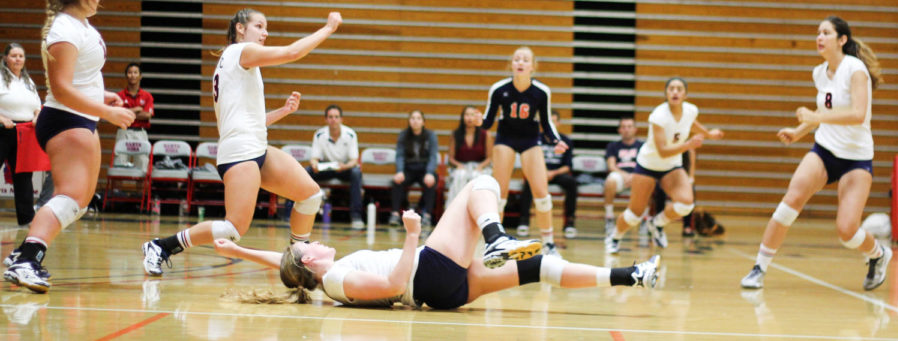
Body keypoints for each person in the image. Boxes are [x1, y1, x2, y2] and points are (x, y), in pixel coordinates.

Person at [213, 175, 660, 309]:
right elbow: (391, 285)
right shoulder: (340, 279)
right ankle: (495, 235)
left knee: (538, 265)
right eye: (304, 244)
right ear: (309, 259)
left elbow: (285, 264)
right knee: (478, 182)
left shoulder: (322, 276)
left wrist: (238, 250)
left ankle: (631, 275)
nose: (308, 241)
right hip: (428, 269)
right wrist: (411, 238)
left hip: (443, 287)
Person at [140, 8, 342, 276]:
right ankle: (161, 246)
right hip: (238, 152)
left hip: (255, 146)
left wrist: (282, 112)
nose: (265, 32)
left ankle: (296, 260)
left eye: (266, 27)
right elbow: (292, 52)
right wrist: (328, 28)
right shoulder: (239, 52)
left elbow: (249, 119)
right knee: (232, 229)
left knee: (310, 196)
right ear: (240, 28)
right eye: (259, 26)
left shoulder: (238, 62)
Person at [3, 0, 135, 293]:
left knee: (81, 199)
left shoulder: (81, 26)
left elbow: (81, 77)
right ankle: (27, 259)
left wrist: (103, 97)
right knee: (70, 195)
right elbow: (60, 88)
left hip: (80, 117)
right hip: (65, 119)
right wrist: (105, 110)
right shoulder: (64, 29)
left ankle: (23, 253)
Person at [741, 16, 889, 291]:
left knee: (847, 231)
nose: (819, 37)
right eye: (817, 33)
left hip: (856, 158)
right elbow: (825, 111)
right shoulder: (819, 72)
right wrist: (800, 131)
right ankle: (759, 268)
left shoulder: (855, 70)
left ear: (842, 40)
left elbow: (857, 115)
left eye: (826, 33)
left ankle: (878, 255)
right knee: (791, 201)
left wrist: (816, 115)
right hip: (825, 150)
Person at [605, 77, 723, 254]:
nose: (675, 91)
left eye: (679, 89)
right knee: (634, 215)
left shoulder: (691, 110)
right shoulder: (659, 116)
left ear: (685, 94)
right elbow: (663, 151)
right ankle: (615, 236)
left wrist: (709, 134)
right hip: (648, 165)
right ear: (666, 93)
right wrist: (688, 145)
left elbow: (691, 123)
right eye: (671, 89)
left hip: (671, 166)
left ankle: (656, 223)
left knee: (686, 204)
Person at [481, 46, 567, 257]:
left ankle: (548, 243)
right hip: (505, 139)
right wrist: (478, 122)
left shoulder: (541, 92)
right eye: (517, 59)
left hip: (530, 140)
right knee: (499, 194)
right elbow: (488, 121)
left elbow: (546, 122)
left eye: (525, 60)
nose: (520, 62)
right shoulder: (499, 89)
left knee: (542, 194)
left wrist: (556, 140)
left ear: (533, 66)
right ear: (511, 64)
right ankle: (495, 243)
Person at [517, 110, 578, 239]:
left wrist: (552, 173)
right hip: (538, 173)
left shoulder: (566, 140)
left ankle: (570, 223)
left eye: (553, 122)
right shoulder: (534, 139)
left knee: (571, 183)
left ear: (559, 124)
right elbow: (527, 161)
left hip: (557, 173)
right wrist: (541, 172)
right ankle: (524, 221)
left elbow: (567, 166)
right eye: (547, 122)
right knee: (528, 182)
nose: (550, 125)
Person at [0, 43, 42, 226]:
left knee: (24, 176)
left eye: (21, 56)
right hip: (3, 129)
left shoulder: (28, 82)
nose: (18, 59)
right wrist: (1, 118)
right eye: (13, 55)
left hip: (24, 132)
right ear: (5, 58)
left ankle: (26, 218)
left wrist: (37, 116)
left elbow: (37, 106)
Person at [306, 105, 364, 229]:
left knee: (356, 173)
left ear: (341, 119)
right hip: (326, 168)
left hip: (344, 167)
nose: (333, 119)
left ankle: (356, 216)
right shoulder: (319, 134)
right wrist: (314, 164)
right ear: (326, 119)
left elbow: (354, 160)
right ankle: (303, 212)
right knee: (307, 172)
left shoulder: (350, 134)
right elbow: (314, 158)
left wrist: (344, 166)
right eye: (330, 117)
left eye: (336, 117)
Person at [390, 110, 439, 228]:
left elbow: (433, 156)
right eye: (412, 118)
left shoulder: (430, 135)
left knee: (431, 182)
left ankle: (427, 215)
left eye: (418, 118)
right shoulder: (404, 135)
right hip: (409, 169)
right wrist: (400, 171)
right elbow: (400, 155)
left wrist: (429, 172)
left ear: (423, 122)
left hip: (424, 169)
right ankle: (395, 214)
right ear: (409, 121)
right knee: (396, 181)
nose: (415, 121)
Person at [445, 105, 493, 207]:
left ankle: (478, 209)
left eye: (472, 115)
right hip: (461, 166)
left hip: (480, 166)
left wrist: (480, 166)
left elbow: (489, 158)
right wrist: (458, 165)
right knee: (460, 175)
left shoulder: (485, 134)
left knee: (477, 176)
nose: (469, 118)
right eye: (467, 115)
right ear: (462, 117)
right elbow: (450, 158)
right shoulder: (456, 134)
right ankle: (455, 209)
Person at [603, 117, 643, 236]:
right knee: (610, 180)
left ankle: (644, 219)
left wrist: (634, 176)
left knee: (648, 181)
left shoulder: (642, 146)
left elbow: (646, 165)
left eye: (629, 127)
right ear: (619, 130)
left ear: (635, 129)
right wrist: (626, 176)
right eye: (624, 127)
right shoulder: (613, 146)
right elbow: (611, 165)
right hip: (621, 175)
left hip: (638, 175)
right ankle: (609, 217)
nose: (626, 130)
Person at [113, 62, 153, 170]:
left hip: (140, 132)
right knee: (119, 165)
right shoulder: (119, 95)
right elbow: (117, 114)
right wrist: (136, 110)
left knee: (142, 166)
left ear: (140, 76)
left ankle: (141, 188)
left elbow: (147, 116)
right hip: (123, 131)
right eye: (130, 72)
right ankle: (117, 188)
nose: (133, 75)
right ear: (126, 75)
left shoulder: (147, 96)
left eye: (135, 72)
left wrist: (126, 112)